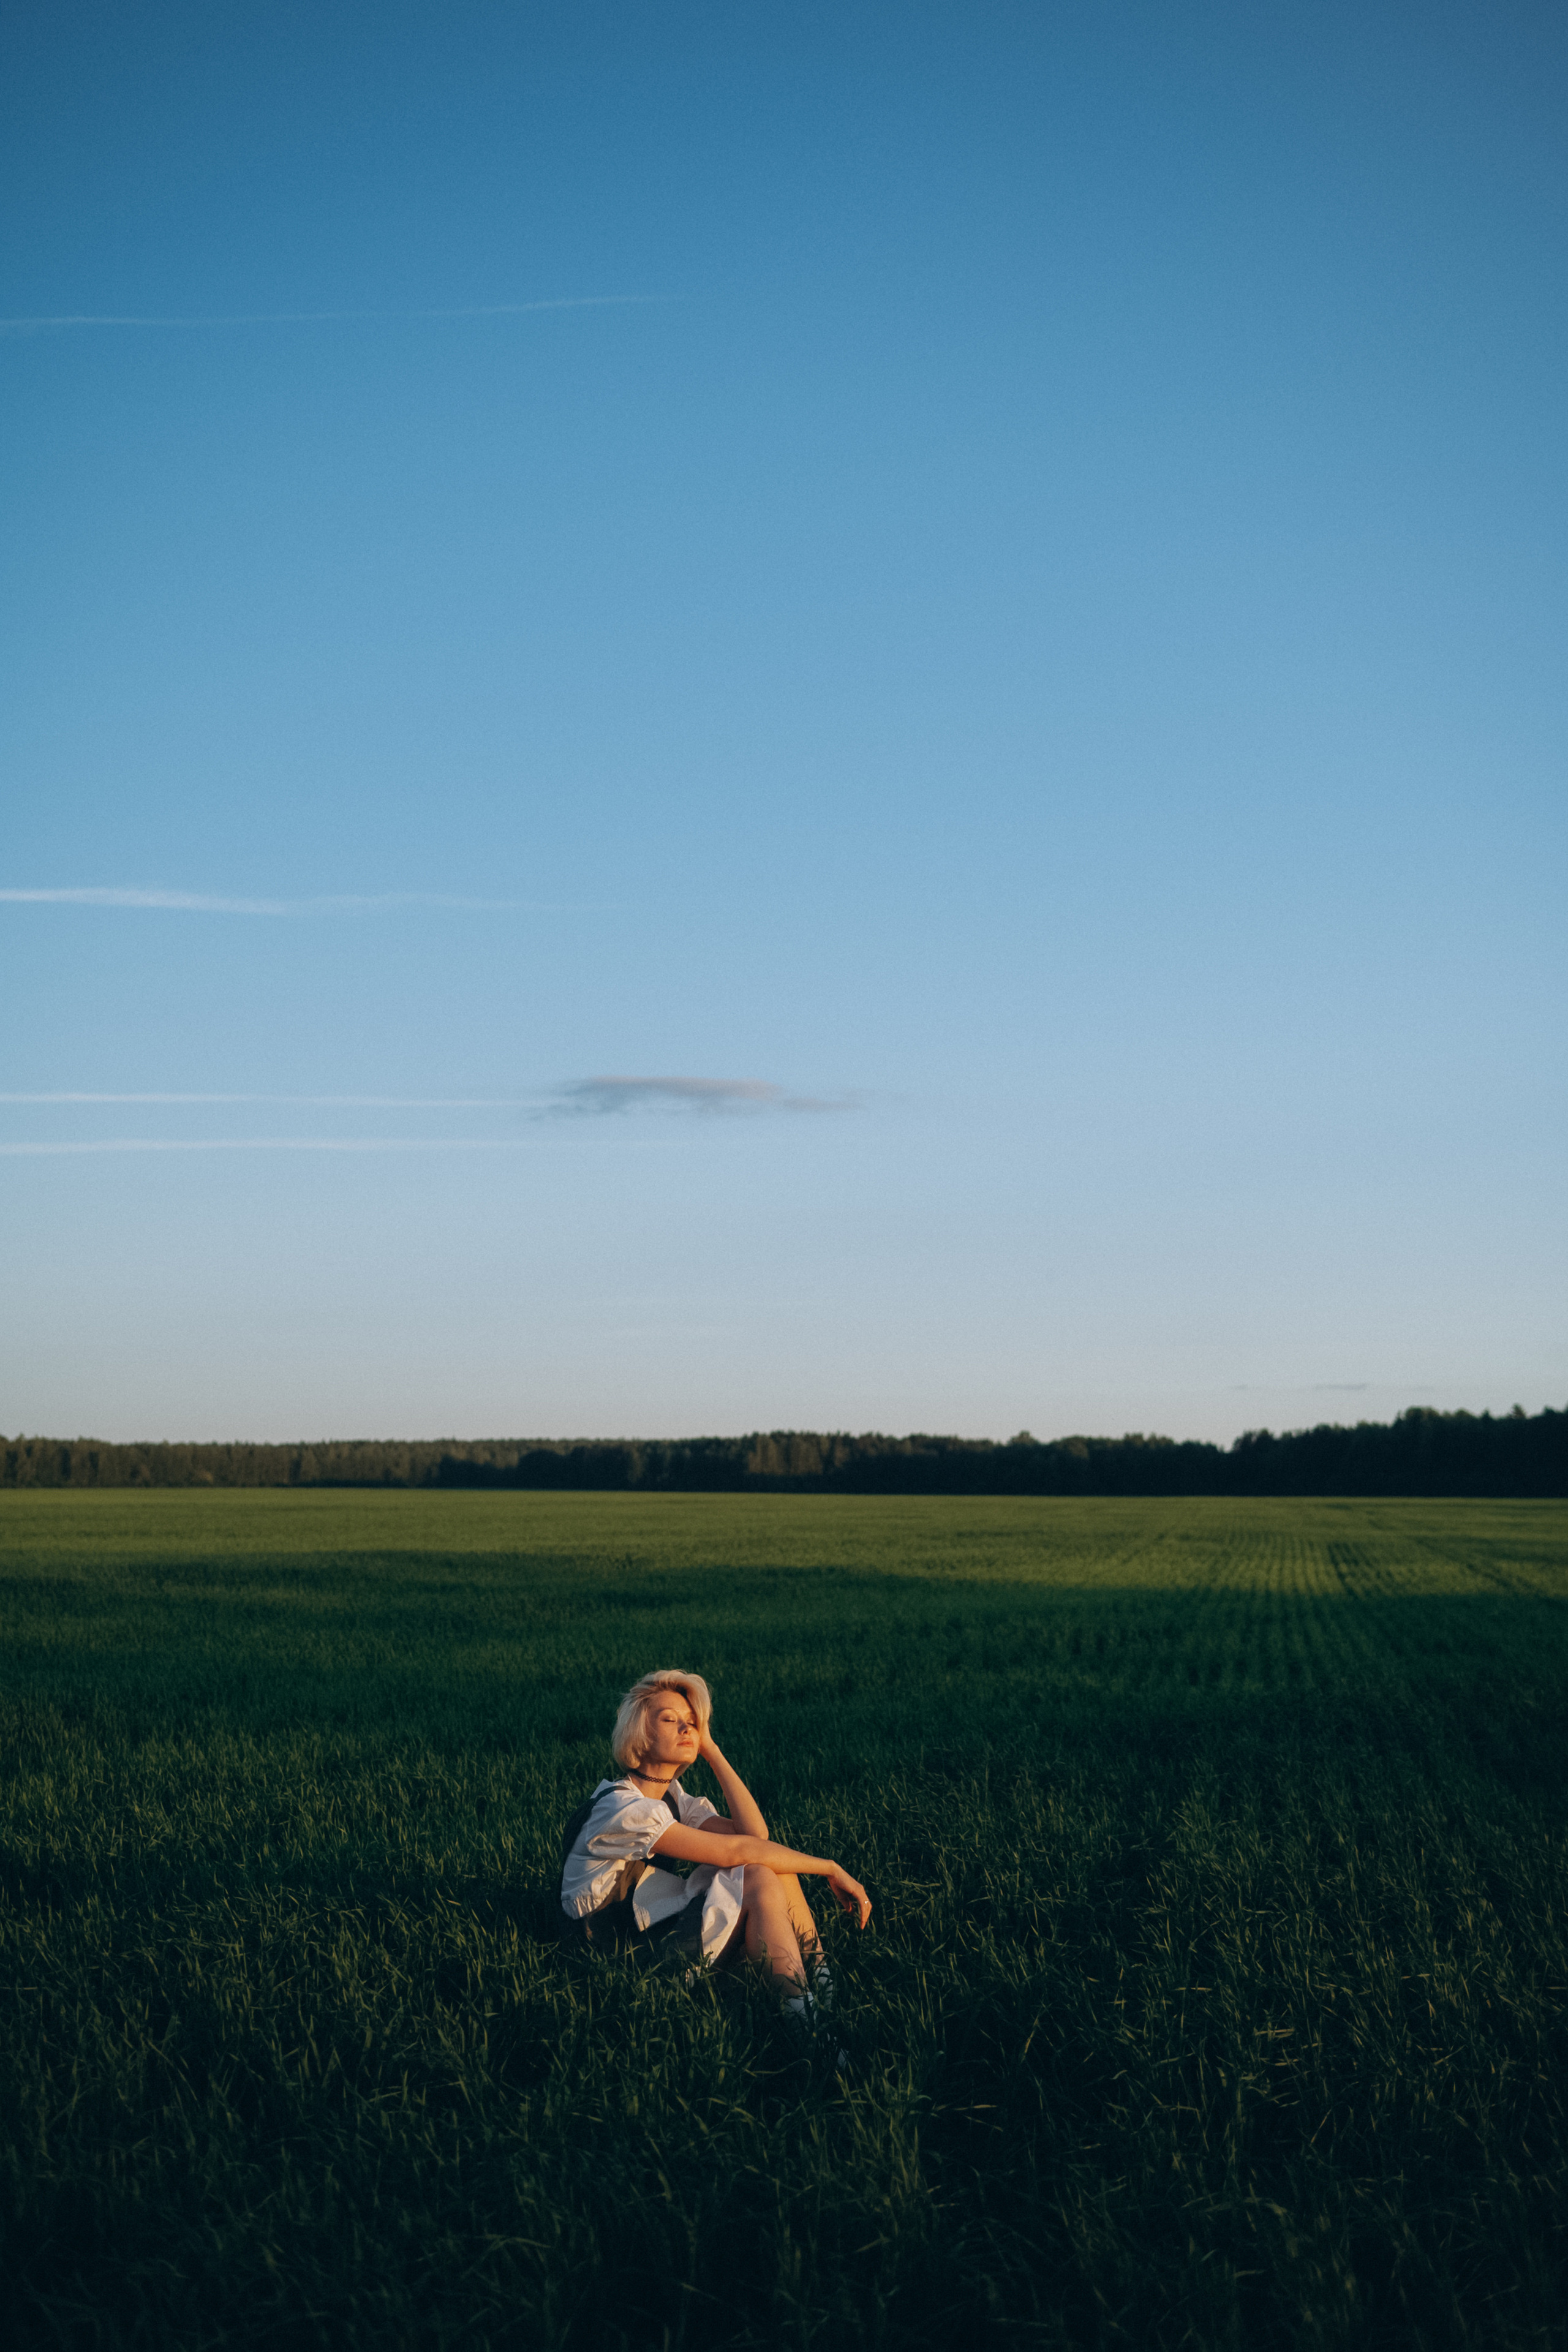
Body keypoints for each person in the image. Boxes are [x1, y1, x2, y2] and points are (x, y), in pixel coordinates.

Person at [559, 1668, 872, 2034]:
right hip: (617, 1963)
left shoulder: (671, 1798)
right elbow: (737, 1851)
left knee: (769, 1864)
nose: (686, 1729)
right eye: (670, 1719)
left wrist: (711, 1750)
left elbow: (755, 1836)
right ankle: (809, 2030)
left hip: (649, 1932)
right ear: (639, 1734)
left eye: (692, 1723)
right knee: (756, 1875)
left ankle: (822, 1989)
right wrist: (831, 1868)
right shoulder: (622, 1810)